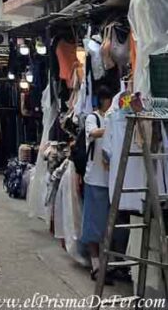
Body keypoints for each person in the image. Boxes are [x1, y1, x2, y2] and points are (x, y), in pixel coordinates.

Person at [80, 85, 113, 283]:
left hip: (110, 180)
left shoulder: (112, 117)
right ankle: (96, 266)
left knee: (109, 225)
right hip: (96, 178)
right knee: (94, 224)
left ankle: (107, 264)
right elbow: (93, 133)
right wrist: (113, 125)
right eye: (107, 99)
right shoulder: (94, 118)